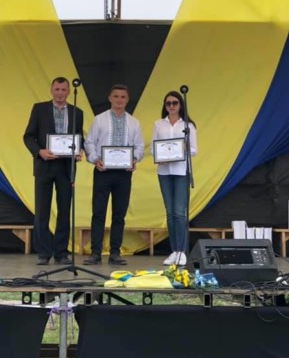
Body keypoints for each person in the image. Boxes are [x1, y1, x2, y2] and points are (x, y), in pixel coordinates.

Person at [23, 77, 84, 266]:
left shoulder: (77, 112)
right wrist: (39, 152)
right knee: (42, 210)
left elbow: (79, 137)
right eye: (57, 89)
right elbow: (28, 136)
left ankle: (61, 252)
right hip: (44, 165)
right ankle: (43, 252)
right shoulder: (39, 109)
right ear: (51, 90)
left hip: (66, 167)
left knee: (64, 210)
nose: (60, 93)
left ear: (68, 92)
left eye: (63, 90)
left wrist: (80, 150)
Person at [83, 84, 144, 266]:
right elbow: (89, 142)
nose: (119, 100)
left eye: (123, 97)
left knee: (119, 214)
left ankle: (115, 253)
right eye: (116, 96)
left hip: (124, 174)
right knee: (98, 212)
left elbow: (139, 146)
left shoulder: (134, 122)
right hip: (103, 171)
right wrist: (95, 159)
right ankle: (95, 252)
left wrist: (134, 159)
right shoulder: (99, 120)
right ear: (110, 98)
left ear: (127, 99)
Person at [152, 90, 197, 267]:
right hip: (164, 171)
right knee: (170, 213)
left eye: (174, 103)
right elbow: (153, 148)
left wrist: (183, 148)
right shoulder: (158, 124)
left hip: (180, 171)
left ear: (180, 105)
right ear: (165, 106)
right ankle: (174, 250)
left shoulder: (188, 126)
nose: (171, 106)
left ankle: (182, 251)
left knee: (179, 212)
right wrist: (159, 156)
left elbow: (194, 150)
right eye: (168, 103)